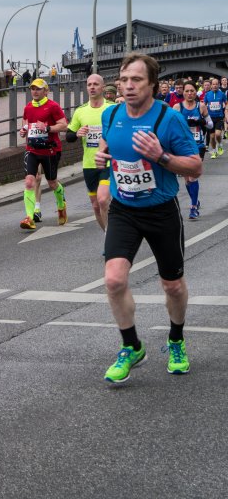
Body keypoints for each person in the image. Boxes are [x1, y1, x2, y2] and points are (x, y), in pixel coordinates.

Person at [95, 53, 201, 383]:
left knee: (173, 285)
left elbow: (195, 166)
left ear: (152, 84)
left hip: (161, 211)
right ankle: (131, 346)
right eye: (124, 79)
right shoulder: (111, 115)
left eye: (136, 80)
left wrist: (161, 156)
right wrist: (102, 155)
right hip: (124, 210)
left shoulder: (169, 119)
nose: (128, 86)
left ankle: (176, 340)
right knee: (114, 280)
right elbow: (108, 143)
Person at [18, 78, 68, 230]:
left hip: (50, 150)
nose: (35, 91)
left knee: (52, 183)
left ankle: (61, 205)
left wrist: (47, 128)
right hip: (32, 149)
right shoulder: (28, 107)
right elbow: (25, 123)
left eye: (38, 89)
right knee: (29, 181)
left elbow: (64, 125)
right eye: (33, 88)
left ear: (46, 91)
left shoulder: (53, 106)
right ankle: (29, 217)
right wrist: (23, 131)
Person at [65, 74, 113, 231]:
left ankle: (111, 237)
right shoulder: (80, 111)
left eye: (95, 84)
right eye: (89, 84)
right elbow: (69, 136)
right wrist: (77, 133)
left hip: (108, 162)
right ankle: (107, 233)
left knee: (103, 199)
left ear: (103, 87)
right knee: (96, 206)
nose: (92, 87)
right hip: (89, 164)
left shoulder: (112, 108)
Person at [173, 81, 211, 219]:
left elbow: (211, 125)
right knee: (187, 179)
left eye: (192, 91)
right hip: (182, 146)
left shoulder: (201, 106)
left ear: (196, 92)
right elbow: (171, 127)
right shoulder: (177, 107)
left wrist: (202, 122)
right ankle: (195, 200)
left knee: (193, 175)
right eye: (187, 91)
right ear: (183, 92)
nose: (189, 93)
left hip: (198, 145)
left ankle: (193, 207)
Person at [203, 77, 226, 158]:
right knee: (212, 137)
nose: (215, 86)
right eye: (213, 84)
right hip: (210, 118)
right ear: (211, 85)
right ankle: (214, 151)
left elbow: (226, 103)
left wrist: (226, 113)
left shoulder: (222, 94)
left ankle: (219, 145)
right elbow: (204, 105)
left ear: (218, 85)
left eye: (216, 84)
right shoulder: (207, 94)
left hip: (219, 117)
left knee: (218, 134)